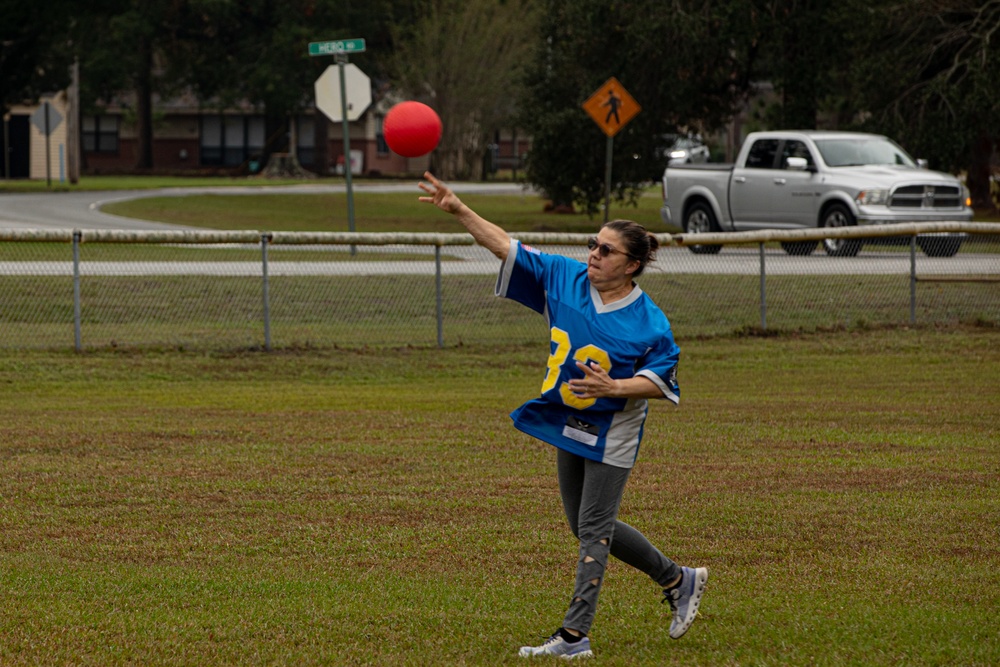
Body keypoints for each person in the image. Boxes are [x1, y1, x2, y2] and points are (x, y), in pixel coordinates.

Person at [418, 172, 708, 660]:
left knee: (594, 529)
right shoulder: (564, 278)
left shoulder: (650, 321)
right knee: (584, 525)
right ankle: (678, 578)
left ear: (631, 265)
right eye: (593, 244)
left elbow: (661, 381)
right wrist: (460, 210)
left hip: (612, 434)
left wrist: (615, 386)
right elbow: (505, 248)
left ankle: (575, 637)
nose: (594, 253)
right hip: (565, 422)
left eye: (607, 250)